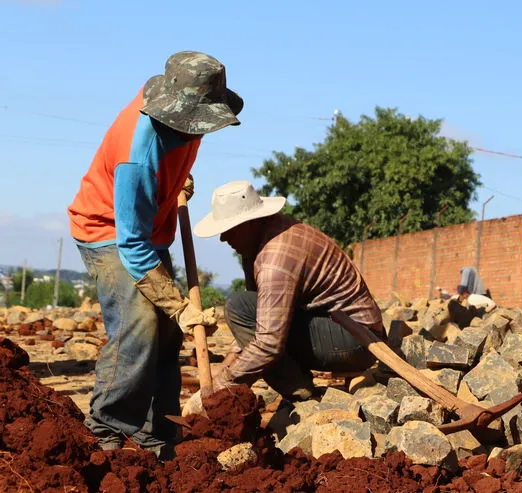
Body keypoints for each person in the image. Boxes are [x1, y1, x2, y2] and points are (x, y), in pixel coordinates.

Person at [67, 51, 243, 457]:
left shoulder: (183, 116)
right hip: (107, 231)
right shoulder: (137, 153)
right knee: (141, 324)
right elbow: (130, 244)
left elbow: (173, 155)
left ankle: (157, 431)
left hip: (150, 228)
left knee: (167, 334)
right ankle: (106, 428)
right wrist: (179, 305)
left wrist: (179, 179)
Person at [188, 180, 385, 405]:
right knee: (244, 307)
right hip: (346, 330)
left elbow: (268, 343)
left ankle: (299, 392)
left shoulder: (275, 261)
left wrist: (224, 385)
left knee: (237, 305)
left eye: (228, 230)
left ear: (249, 223)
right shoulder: (263, 239)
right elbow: (257, 319)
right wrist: (224, 367)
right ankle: (297, 383)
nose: (223, 238)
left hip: (356, 341)